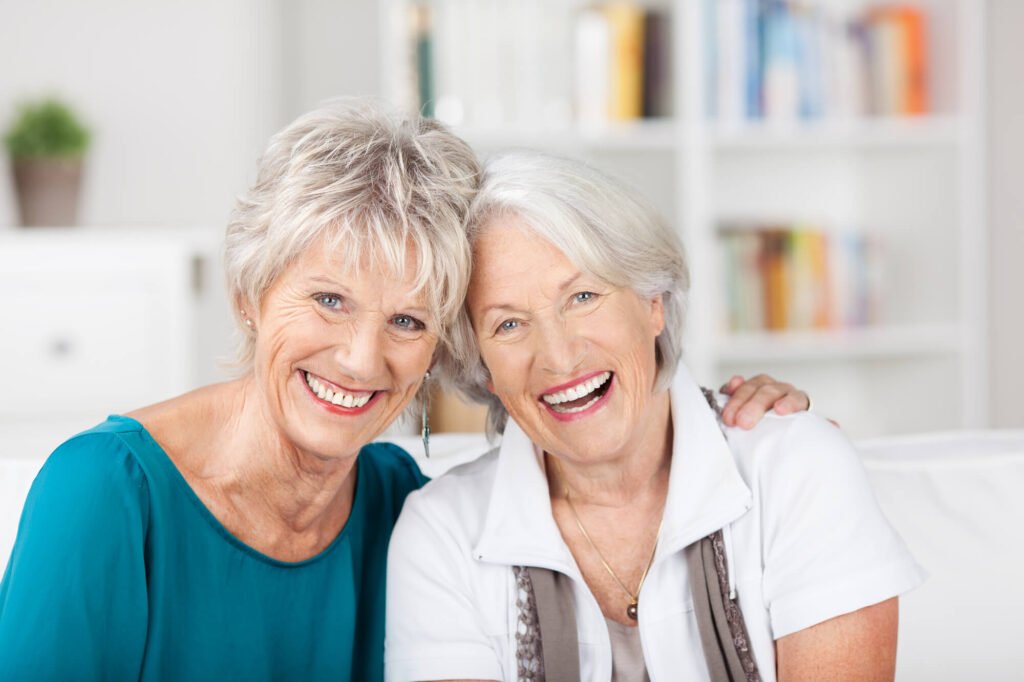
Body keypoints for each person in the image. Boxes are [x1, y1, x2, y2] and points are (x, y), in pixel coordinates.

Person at [0, 102, 807, 681]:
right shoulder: (105, 493)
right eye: (327, 300)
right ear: (249, 294)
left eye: (408, 321)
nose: (360, 359)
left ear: (441, 350)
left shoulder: (408, 512)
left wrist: (725, 425)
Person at [384, 152, 925, 681]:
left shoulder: (797, 469)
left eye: (583, 296)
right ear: (483, 369)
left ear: (653, 303)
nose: (559, 356)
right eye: (508, 325)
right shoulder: (441, 534)